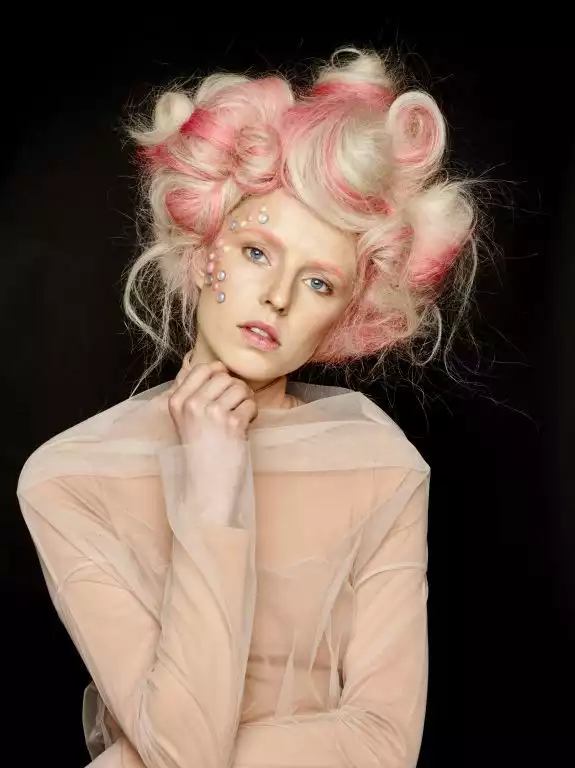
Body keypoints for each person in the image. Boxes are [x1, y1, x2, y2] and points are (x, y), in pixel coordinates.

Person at [17, 47, 477, 767]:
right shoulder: (68, 478)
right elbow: (182, 749)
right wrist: (211, 484)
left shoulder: (380, 467)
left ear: (346, 313)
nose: (279, 297)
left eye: (319, 282)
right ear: (206, 252)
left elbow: (383, 744)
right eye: (257, 252)